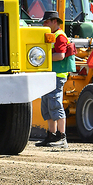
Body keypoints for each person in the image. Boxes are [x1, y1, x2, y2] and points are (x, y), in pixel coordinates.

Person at [35, 10, 75, 148]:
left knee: (55, 104)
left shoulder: (60, 36)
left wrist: (41, 59)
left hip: (57, 76)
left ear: (54, 21)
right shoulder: (52, 35)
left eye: (46, 22)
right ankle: (51, 135)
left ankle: (61, 136)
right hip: (50, 75)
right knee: (47, 105)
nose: (44, 24)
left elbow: (60, 55)